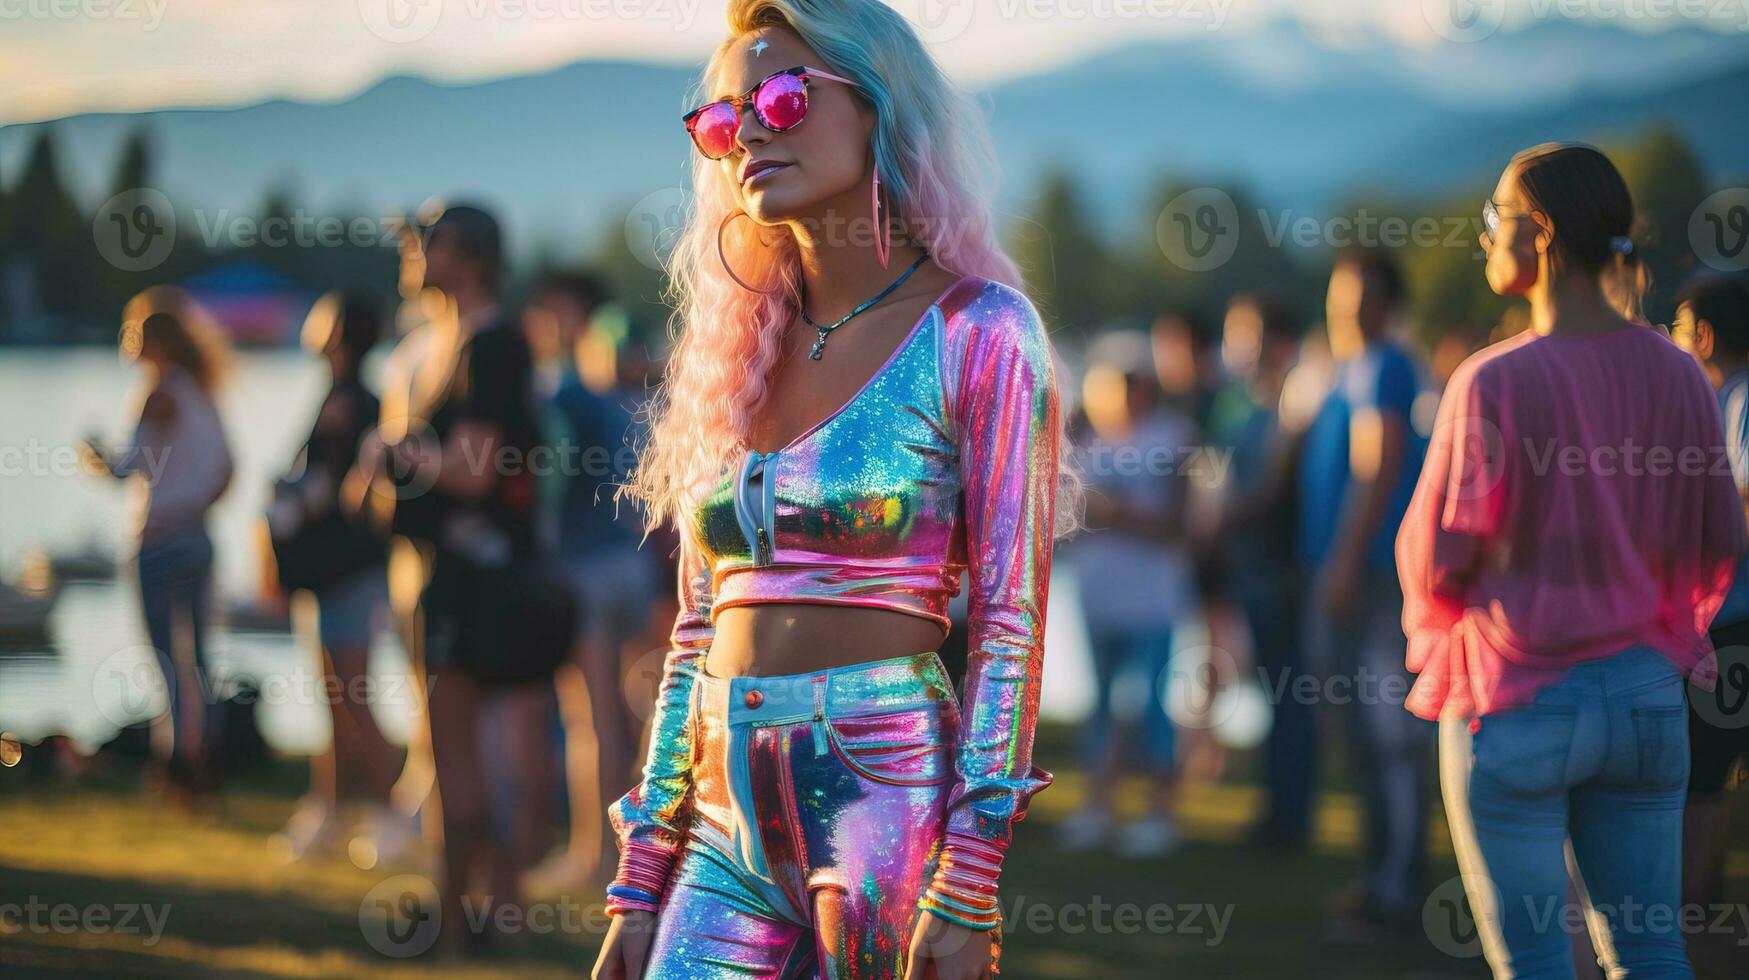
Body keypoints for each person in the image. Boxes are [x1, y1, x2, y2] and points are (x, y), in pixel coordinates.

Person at [592, 2, 1084, 977]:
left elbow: (1010, 618)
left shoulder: (979, 329)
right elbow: (695, 627)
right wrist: (640, 875)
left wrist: (971, 873)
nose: (751, 135)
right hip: (723, 813)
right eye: (726, 120)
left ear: (880, 108)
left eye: (783, 97)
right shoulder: (736, 357)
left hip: (880, 788)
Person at [1398, 142, 1748, 979]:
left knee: (1535, 963)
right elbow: (1718, 546)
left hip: (1519, 698)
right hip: (1643, 701)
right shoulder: (1679, 376)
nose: (1486, 237)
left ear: (1542, 232)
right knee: (1652, 952)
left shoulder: (1491, 382)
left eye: (1496, 219)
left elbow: (1436, 564)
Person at [359, 201, 556, 951]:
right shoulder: (446, 344)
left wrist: (395, 455)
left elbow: (474, 473)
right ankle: (468, 911)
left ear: (469, 255)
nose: (410, 250)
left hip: (479, 586)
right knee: (454, 756)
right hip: (455, 577)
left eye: (425, 239)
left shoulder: (493, 345)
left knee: (472, 757)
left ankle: (471, 914)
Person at [1298, 247, 1434, 937]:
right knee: (1361, 737)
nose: (1344, 314)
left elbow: (1376, 468)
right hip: (1350, 576)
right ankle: (1380, 876)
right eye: (1337, 300)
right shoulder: (1346, 369)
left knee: (1390, 742)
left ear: (1384, 307)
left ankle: (1398, 887)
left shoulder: (1384, 362)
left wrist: (1345, 564)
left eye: (1358, 302)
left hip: (1375, 582)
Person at [520, 272, 663, 896]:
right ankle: (653, 861)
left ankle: (597, 859)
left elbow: (545, 484)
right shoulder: (638, 405)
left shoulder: (570, 398)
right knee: (646, 719)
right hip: (636, 568)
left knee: (593, 720)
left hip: (586, 568)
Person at [83, 286, 235, 805]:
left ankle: (178, 770)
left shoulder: (158, 393)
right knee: (200, 661)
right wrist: (194, 508)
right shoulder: (202, 393)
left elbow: (129, 468)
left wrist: (94, 458)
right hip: (197, 538)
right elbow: (226, 469)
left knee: (168, 662)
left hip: (159, 541)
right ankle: (205, 763)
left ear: (152, 340)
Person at [268, 291, 401, 862]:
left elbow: (329, 486)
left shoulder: (353, 402)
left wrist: (290, 503)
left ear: (341, 334)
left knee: (352, 692)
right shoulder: (348, 397)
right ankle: (332, 808)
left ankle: (395, 810)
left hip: (349, 570)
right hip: (332, 572)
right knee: (334, 694)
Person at [1056, 329, 1196, 858]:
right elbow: (1067, 519)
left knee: (1155, 709)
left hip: (1153, 600)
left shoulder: (1174, 437)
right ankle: (1100, 808)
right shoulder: (1085, 442)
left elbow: (1179, 525)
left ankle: (1160, 814)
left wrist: (1119, 513)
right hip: (1098, 598)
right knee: (1100, 707)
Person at [1204, 291, 1314, 851]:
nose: (1236, 347)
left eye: (1247, 334)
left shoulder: (1295, 401)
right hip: (1252, 569)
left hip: (1282, 571)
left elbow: (1269, 489)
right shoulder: (1239, 403)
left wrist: (1222, 519)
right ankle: (1279, 807)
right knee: (1275, 691)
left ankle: (1290, 815)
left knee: (1290, 693)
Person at [1668, 272, 1749, 915]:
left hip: (1732, 621)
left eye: (1678, 327)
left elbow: (1740, 507)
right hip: (1725, 619)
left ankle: (1692, 903)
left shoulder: (1738, 398)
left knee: (1703, 770)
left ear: (1706, 334)